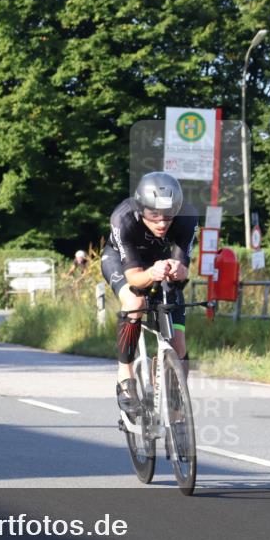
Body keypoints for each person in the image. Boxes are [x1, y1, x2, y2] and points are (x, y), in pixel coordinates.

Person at [101, 171, 198, 417]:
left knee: (178, 340)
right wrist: (152, 272)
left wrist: (178, 270)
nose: (162, 223)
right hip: (122, 262)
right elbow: (134, 276)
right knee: (135, 301)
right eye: (154, 215)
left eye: (168, 216)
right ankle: (125, 375)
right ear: (141, 208)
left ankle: (176, 403)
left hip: (161, 265)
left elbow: (184, 266)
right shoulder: (123, 218)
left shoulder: (187, 218)